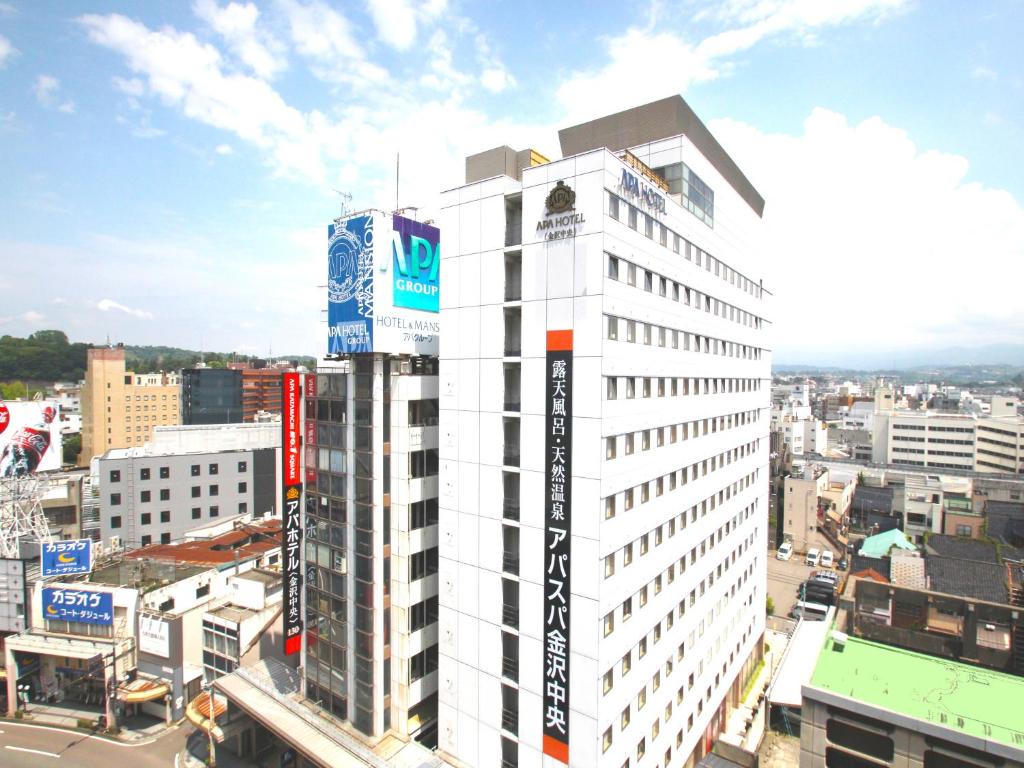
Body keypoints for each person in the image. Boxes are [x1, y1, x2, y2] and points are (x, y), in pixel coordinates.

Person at [0, 404, 56, 477]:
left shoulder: (31, 427)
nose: (45, 418)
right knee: (15, 469)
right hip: (21, 450)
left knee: (14, 469)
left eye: (47, 417)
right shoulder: (35, 428)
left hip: (21, 451)